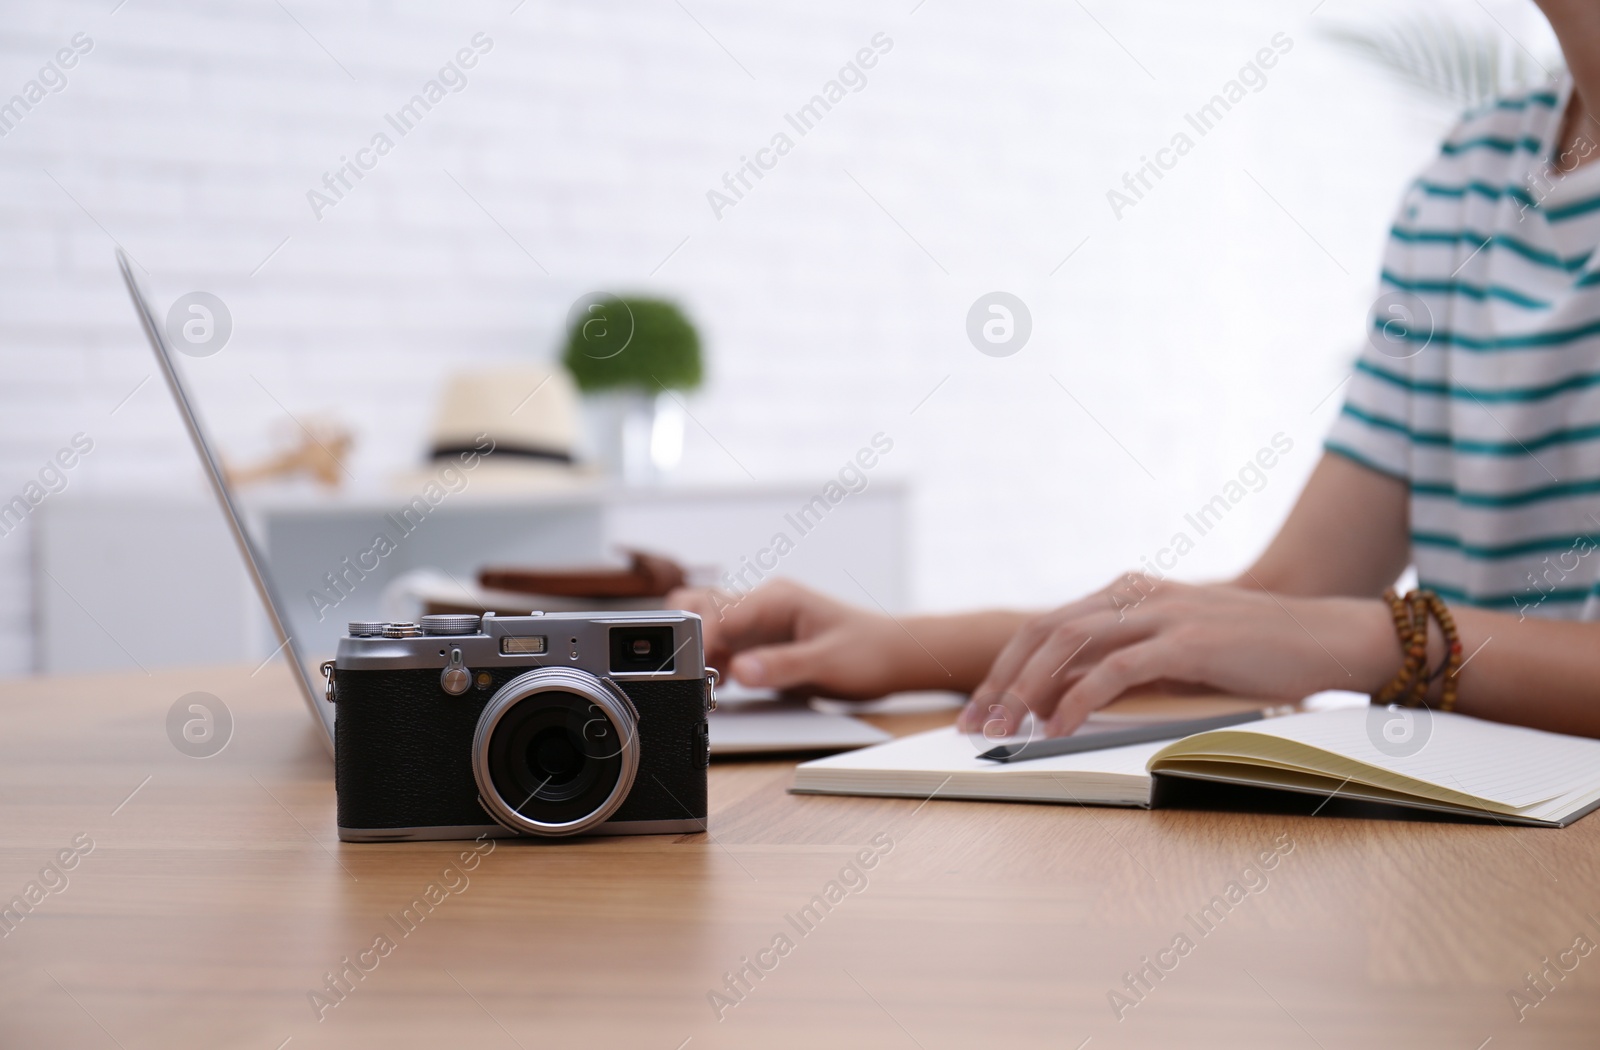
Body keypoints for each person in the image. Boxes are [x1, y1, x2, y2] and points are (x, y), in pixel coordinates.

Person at [671, 0, 1600, 742]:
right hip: (1484, 837)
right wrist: (897, 646)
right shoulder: (1470, 173)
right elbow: (1287, 607)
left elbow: (1332, 627)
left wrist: (1380, 640)